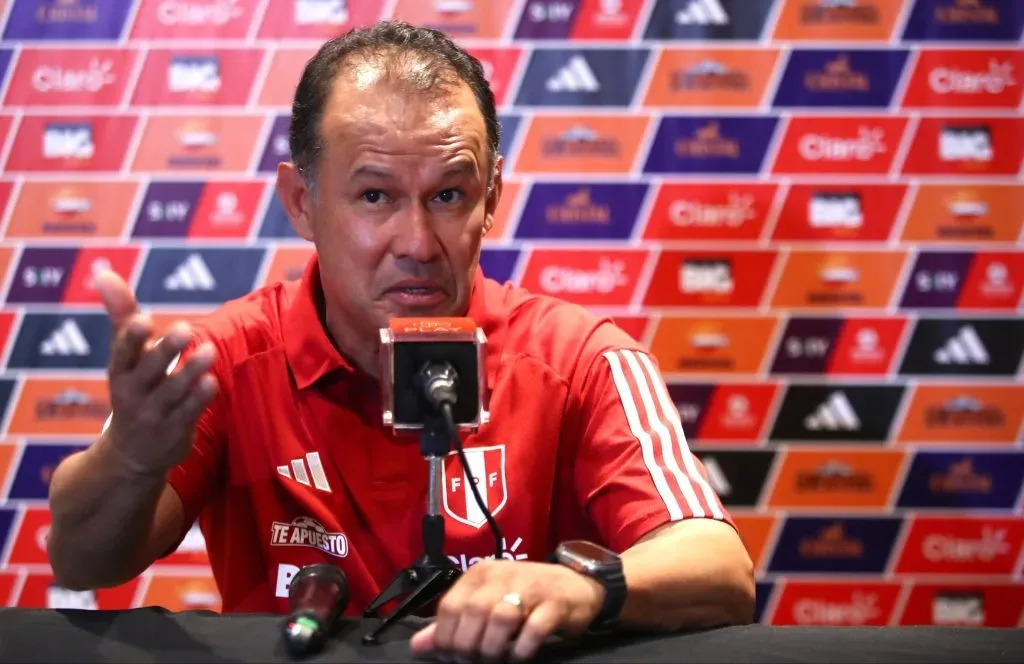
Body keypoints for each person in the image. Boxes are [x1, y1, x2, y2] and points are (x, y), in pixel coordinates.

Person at [46, 21, 754, 662]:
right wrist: (133, 458)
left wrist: (582, 589)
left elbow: (719, 566)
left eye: (449, 195)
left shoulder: (583, 358)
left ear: (492, 197)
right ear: (301, 202)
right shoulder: (218, 359)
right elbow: (82, 563)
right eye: (376, 196)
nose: (417, 245)